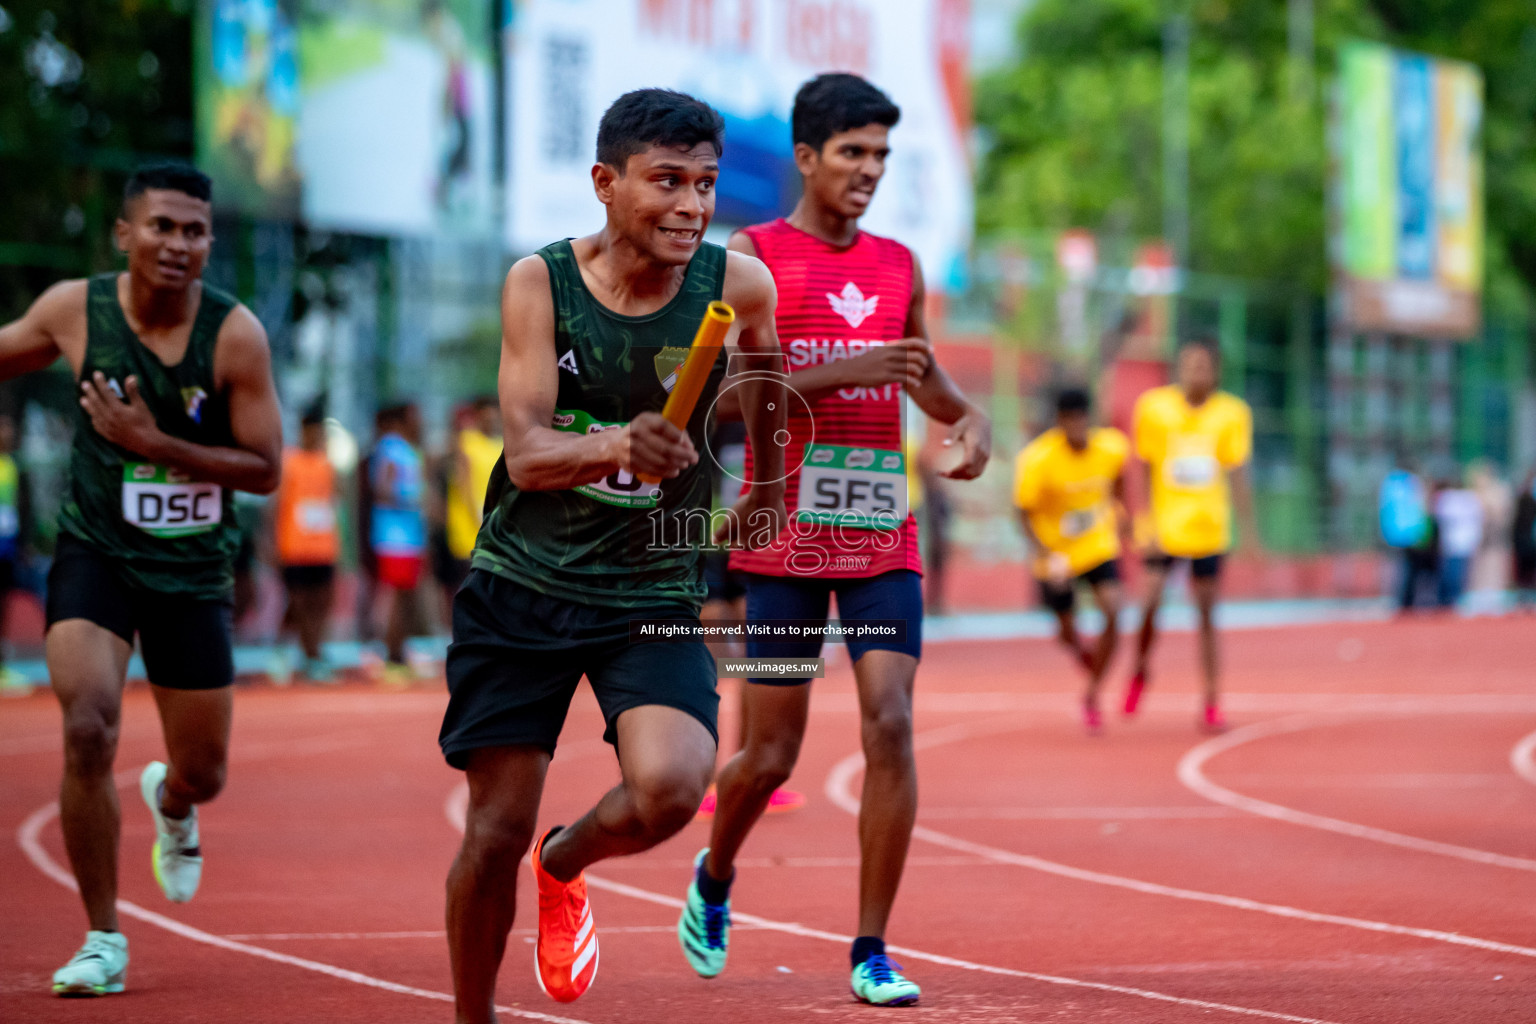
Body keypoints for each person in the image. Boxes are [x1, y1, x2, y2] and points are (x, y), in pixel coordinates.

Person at [438, 89, 786, 1019]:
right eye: (666, 181)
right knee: (493, 828)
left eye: (706, 185)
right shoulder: (538, 285)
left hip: (651, 589)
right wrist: (616, 445)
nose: (691, 205)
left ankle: (568, 862)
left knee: (673, 789)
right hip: (524, 585)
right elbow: (527, 453)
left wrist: (764, 489)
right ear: (605, 182)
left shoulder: (737, 286)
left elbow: (767, 374)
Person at [680, 73, 991, 1007]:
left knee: (890, 721)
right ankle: (716, 873)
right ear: (808, 157)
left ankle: (870, 948)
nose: (869, 171)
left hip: (879, 533)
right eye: (853, 153)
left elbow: (924, 373)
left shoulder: (900, 264)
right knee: (768, 756)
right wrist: (851, 367)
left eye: (882, 157)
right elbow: (726, 395)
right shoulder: (753, 256)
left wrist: (968, 420)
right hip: (782, 538)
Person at [0, 164, 282, 996]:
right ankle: (102, 937)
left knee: (207, 771)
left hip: (192, 573)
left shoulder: (234, 336)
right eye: (162, 227)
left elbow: (264, 468)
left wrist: (151, 441)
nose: (179, 244)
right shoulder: (73, 310)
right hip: (96, 552)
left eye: (195, 231)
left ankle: (175, 802)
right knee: (87, 725)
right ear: (125, 235)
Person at [1126, 337, 1257, 733]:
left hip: (1207, 529)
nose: (1193, 373)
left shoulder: (1232, 413)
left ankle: (1212, 698)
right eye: (1187, 365)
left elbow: (1236, 472)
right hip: (1164, 528)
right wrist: (1144, 521)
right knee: (1149, 602)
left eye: (1202, 366)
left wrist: (1249, 531)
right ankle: (1141, 666)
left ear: (1215, 371)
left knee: (1206, 615)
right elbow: (1144, 468)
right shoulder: (1154, 409)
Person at [696, 419, 804, 819]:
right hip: (705, 538)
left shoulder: (774, 410)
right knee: (710, 659)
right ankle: (703, 779)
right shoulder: (711, 406)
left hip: (756, 538)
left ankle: (743, 773)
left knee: (750, 661)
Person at [1013, 387, 1132, 734]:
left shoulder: (1111, 448)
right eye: (1070, 420)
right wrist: (1046, 555)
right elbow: (1022, 513)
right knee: (1066, 632)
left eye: (1083, 419)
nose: (1078, 427)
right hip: (1056, 554)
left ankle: (1092, 694)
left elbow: (1120, 482)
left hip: (1097, 546)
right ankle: (1082, 652)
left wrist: (1122, 518)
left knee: (1113, 609)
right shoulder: (1038, 459)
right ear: (1060, 421)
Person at [274, 403, 339, 681]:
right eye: (313, 432)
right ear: (303, 431)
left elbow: (336, 505)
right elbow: (275, 507)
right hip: (295, 547)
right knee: (299, 605)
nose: (317, 437)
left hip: (324, 547)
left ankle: (313, 652)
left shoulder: (328, 464)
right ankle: (308, 654)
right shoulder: (289, 461)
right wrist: (272, 543)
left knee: (321, 604)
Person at [370, 402, 428, 682]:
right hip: (394, 537)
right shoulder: (391, 447)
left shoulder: (406, 448)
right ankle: (391, 658)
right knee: (394, 598)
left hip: (409, 537)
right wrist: (412, 500)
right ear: (405, 417)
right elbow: (381, 490)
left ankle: (400, 655)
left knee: (405, 599)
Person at [440, 396, 502, 604]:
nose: (491, 419)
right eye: (486, 415)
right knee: (467, 583)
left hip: (493, 525)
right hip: (469, 527)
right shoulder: (465, 442)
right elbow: (463, 485)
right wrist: (479, 517)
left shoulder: (500, 444)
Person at [0, 413, 31, 692]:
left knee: (4, 605)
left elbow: (19, 509)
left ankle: (1, 667)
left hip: (7, 548)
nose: (7, 433)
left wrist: (23, 544)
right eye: (3, 427)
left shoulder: (11, 465)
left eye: (9, 427)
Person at [1379, 460, 1435, 611]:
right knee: (1409, 570)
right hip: (1412, 532)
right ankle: (1406, 601)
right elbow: (1422, 508)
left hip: (1395, 533)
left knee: (1399, 569)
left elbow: (1385, 508)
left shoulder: (1390, 482)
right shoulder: (1414, 482)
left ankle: (1399, 600)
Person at [1433, 473, 1483, 609]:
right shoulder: (1471, 499)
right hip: (1464, 542)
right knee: (1459, 573)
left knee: (1452, 573)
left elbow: (1439, 518)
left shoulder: (1448, 499)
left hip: (1453, 542)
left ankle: (1450, 599)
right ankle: (1454, 599)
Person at [1512, 467, 1536, 610]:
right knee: (1525, 571)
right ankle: (1525, 598)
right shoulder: (1523, 498)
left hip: (1527, 539)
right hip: (1524, 539)